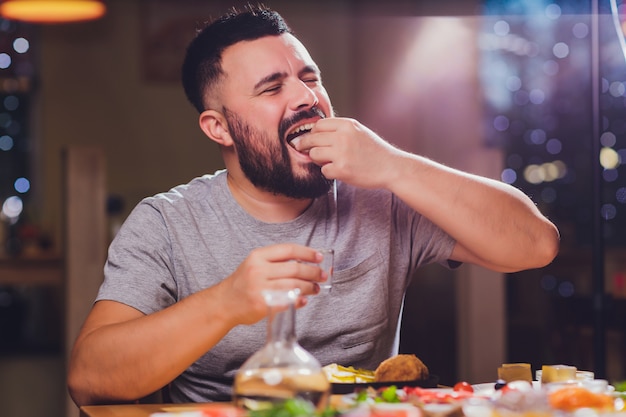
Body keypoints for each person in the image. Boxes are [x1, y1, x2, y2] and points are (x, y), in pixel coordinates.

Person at [67, 4, 560, 406]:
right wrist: (228, 301)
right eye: (271, 87)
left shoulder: (384, 197)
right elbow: (91, 378)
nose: (306, 98)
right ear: (219, 128)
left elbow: (535, 245)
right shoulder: (166, 222)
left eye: (310, 78)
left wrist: (393, 165)